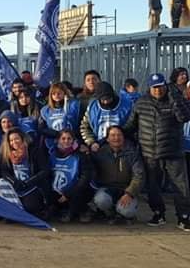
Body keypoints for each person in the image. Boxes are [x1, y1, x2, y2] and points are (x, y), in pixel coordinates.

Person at [124, 73, 190, 230]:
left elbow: (184, 117)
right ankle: (158, 213)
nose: (158, 90)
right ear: (149, 87)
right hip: (150, 153)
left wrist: (175, 99)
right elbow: (130, 126)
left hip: (173, 152)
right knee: (153, 187)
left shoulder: (175, 100)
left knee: (181, 186)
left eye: (161, 86)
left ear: (165, 86)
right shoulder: (141, 103)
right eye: (155, 87)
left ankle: (184, 216)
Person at [91, 126, 144, 224]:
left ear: (124, 137)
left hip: (126, 189)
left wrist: (130, 193)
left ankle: (123, 214)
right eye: (112, 135)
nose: (116, 138)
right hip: (107, 188)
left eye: (119, 135)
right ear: (107, 139)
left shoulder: (132, 153)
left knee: (127, 211)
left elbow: (139, 176)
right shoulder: (100, 153)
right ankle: (110, 213)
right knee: (100, 200)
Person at [0, 128, 50, 219]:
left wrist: (28, 182)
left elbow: (45, 171)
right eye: (11, 140)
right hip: (17, 186)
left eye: (16, 139)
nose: (14, 142)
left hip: (33, 185)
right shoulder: (7, 153)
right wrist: (13, 181)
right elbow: (4, 171)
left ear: (22, 138)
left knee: (30, 207)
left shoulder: (34, 150)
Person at [48, 130, 93, 223]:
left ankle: (82, 211)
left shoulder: (80, 155)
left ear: (73, 140)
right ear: (58, 140)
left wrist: (69, 193)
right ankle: (62, 210)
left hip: (74, 191)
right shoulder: (52, 154)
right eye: (63, 138)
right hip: (57, 190)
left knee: (80, 192)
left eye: (69, 138)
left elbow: (85, 178)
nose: (66, 141)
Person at [80, 81, 133, 152]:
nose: (106, 102)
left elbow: (132, 126)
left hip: (121, 146)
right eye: (103, 99)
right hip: (99, 147)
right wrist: (92, 142)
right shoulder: (92, 108)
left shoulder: (126, 106)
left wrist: (126, 142)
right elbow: (84, 127)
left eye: (108, 99)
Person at [39, 82, 80, 150]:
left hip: (70, 142)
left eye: (59, 93)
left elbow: (78, 123)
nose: (56, 95)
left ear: (64, 93)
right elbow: (42, 128)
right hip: (53, 142)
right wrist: (55, 134)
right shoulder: (45, 110)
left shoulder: (73, 105)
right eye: (54, 93)